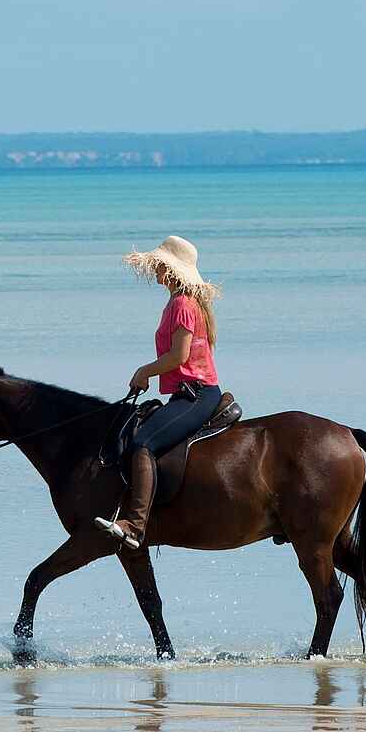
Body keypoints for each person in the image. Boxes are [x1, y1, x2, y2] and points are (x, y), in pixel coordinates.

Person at [94, 235, 223, 549]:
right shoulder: (180, 301)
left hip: (197, 395)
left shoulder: (182, 304)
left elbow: (179, 356)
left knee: (143, 443)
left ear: (173, 269)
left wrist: (144, 372)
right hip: (188, 393)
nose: (155, 269)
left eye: (160, 264)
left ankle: (135, 524)